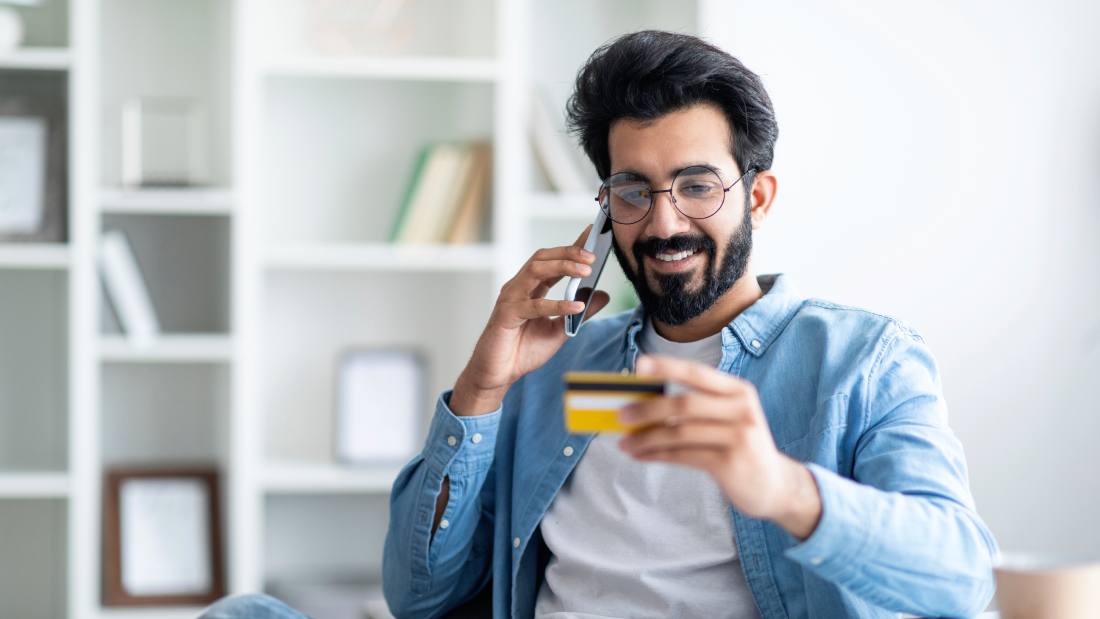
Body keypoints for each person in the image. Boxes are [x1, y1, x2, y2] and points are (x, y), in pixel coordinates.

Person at [204, 29, 997, 619]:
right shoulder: (570, 370)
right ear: (602, 208)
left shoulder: (860, 362)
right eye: (632, 191)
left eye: (696, 186)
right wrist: (483, 387)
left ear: (757, 196)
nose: (663, 224)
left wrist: (784, 489)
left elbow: (962, 576)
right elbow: (419, 595)